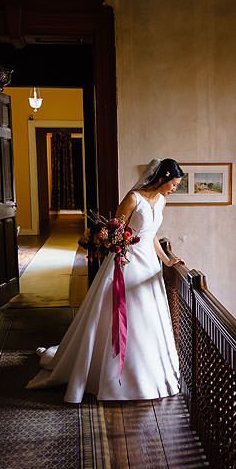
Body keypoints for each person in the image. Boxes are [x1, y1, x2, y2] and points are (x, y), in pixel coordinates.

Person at [30, 158, 186, 402]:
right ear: (163, 178)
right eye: (174, 184)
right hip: (126, 263)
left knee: (149, 318)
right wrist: (119, 251)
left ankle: (150, 377)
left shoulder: (162, 200)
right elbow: (117, 230)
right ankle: (113, 377)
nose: (174, 189)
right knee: (123, 315)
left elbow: (152, 235)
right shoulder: (134, 198)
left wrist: (167, 261)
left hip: (149, 266)